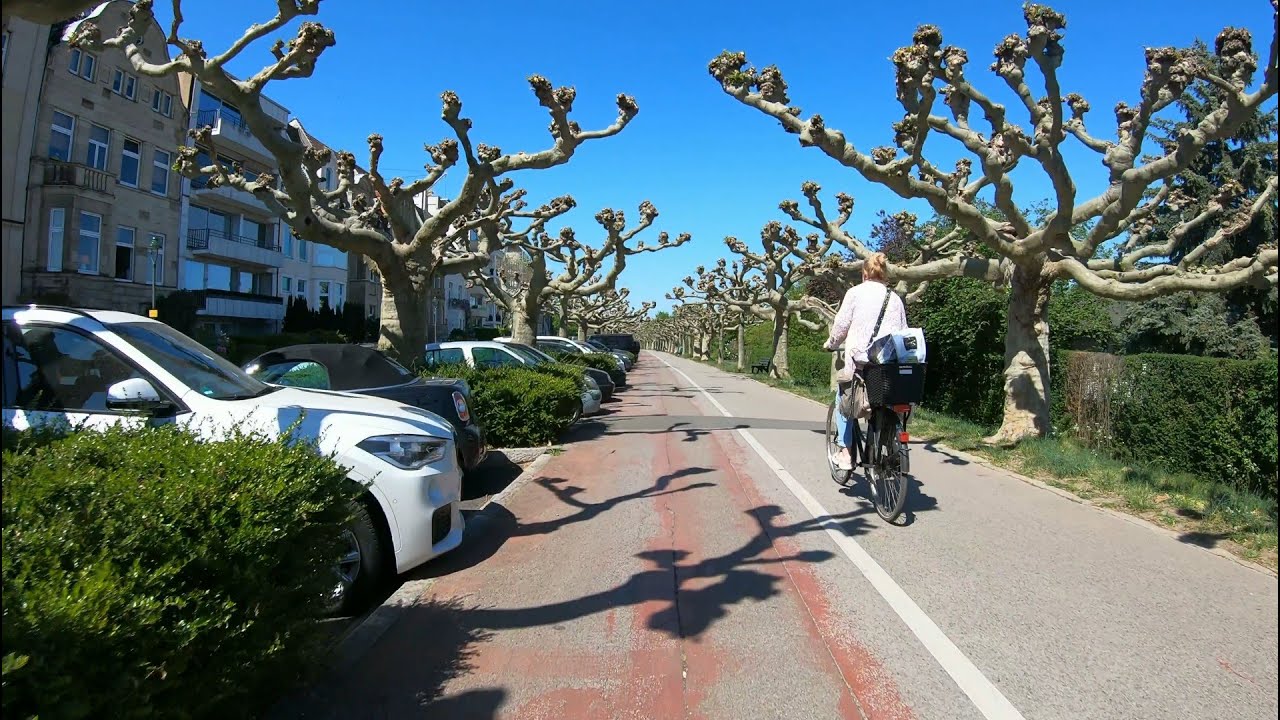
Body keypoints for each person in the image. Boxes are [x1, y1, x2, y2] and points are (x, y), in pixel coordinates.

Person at [822, 252, 908, 470]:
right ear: (884, 273)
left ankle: (845, 453)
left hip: (860, 363)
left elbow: (841, 326)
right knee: (884, 401)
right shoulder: (894, 298)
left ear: (864, 273)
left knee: (844, 401)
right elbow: (904, 331)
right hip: (888, 365)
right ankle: (888, 444)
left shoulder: (855, 293)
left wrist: (831, 343)